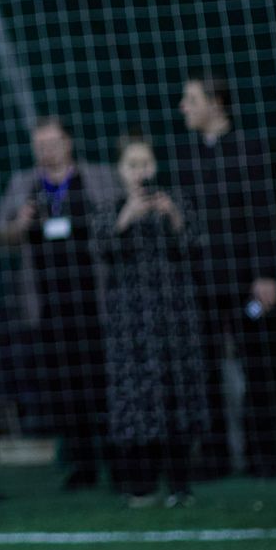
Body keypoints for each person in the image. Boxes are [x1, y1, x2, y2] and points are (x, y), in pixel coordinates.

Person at [0, 117, 120, 489]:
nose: (46, 150)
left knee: (104, 382)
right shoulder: (23, 184)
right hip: (48, 306)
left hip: (96, 302)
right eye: (40, 145)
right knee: (67, 388)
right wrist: (20, 223)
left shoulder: (100, 178)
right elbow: (3, 235)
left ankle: (119, 458)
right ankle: (81, 463)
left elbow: (117, 226)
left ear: (69, 143)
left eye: (52, 143)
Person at [172, 75, 276, 480]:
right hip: (200, 282)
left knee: (258, 365)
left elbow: (263, 215)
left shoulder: (250, 149)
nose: (183, 106)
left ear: (216, 103)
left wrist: (265, 274)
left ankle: (263, 455)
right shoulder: (183, 157)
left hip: (245, 280)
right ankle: (214, 456)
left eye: (191, 98)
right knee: (204, 368)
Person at [90, 136, 209, 506]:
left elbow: (195, 247)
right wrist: (127, 218)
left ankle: (180, 484)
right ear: (120, 171)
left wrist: (173, 217)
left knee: (177, 396)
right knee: (136, 401)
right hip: (130, 325)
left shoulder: (176, 203)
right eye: (132, 165)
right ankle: (140, 484)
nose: (140, 172)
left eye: (145, 163)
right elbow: (102, 248)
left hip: (175, 320)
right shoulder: (111, 208)